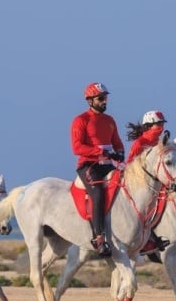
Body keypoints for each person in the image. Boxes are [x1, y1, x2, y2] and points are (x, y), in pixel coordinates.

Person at [70, 82, 125, 257]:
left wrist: (120, 153)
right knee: (98, 193)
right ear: (90, 101)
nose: (104, 102)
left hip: (108, 165)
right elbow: (77, 148)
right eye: (101, 98)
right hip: (89, 166)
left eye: (105, 98)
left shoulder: (110, 121)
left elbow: (117, 142)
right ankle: (99, 238)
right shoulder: (81, 120)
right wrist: (101, 151)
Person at [126, 110, 170, 256]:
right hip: (140, 185)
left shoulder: (160, 143)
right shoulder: (140, 143)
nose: (161, 127)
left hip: (158, 184)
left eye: (162, 124)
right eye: (158, 124)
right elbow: (129, 165)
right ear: (149, 125)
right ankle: (147, 238)